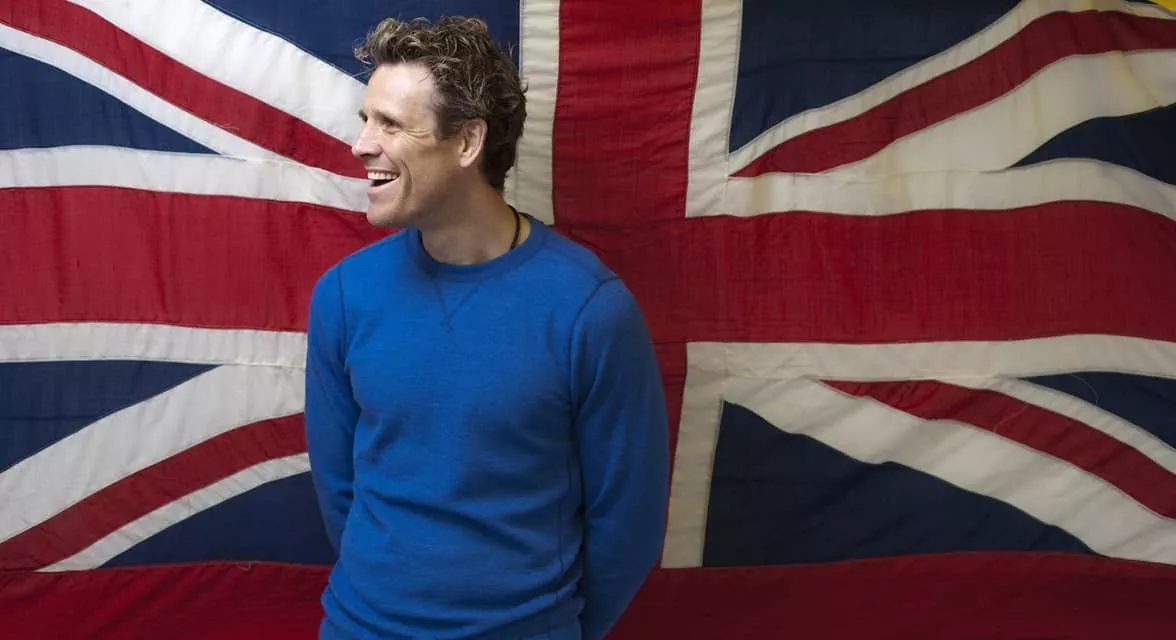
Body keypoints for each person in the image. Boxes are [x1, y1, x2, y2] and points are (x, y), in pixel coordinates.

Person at [303, 16, 670, 640]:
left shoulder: (591, 310)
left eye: (390, 124)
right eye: (366, 120)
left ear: (468, 141)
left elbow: (627, 523)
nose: (362, 144)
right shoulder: (343, 295)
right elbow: (338, 489)